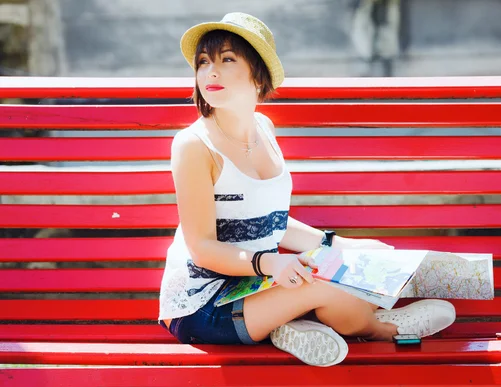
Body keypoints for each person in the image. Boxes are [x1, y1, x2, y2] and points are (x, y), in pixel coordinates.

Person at [158, 12, 456, 367]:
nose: (211, 72)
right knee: (329, 283)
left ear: (258, 73)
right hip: (203, 305)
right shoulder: (193, 145)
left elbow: (271, 222)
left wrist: (337, 244)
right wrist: (272, 263)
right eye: (204, 62)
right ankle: (383, 329)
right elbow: (202, 248)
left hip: (259, 285)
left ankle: (289, 325)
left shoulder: (263, 128)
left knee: (363, 260)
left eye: (226, 59)